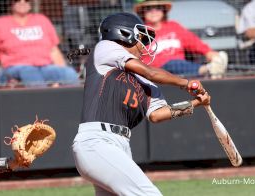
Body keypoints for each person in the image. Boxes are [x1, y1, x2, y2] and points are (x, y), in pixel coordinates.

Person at [71, 12, 210, 196]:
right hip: (97, 141)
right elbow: (150, 72)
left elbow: (157, 114)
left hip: (119, 145)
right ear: (123, 33)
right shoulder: (105, 48)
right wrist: (185, 83)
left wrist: (194, 104)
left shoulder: (146, 83)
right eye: (141, 38)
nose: (145, 45)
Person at [0, 0, 79, 87]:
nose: (22, 2)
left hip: (45, 67)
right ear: (11, 2)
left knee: (68, 73)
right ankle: (42, 103)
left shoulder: (42, 20)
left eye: (26, 0)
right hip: (13, 68)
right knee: (30, 72)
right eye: (17, 0)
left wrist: (61, 68)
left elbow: (54, 51)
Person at [133, 0, 228, 78]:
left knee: (178, 64)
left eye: (158, 8)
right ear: (142, 12)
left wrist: (209, 53)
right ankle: (208, 70)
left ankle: (216, 65)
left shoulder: (173, 26)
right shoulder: (141, 31)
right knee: (172, 64)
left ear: (163, 10)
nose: (154, 12)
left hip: (181, 70)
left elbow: (193, 41)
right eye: (149, 9)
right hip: (156, 73)